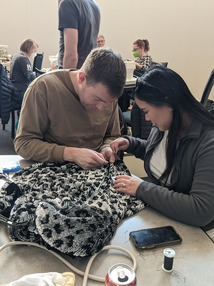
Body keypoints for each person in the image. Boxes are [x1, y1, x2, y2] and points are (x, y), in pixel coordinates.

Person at [110, 65, 214, 228]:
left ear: (168, 102)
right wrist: (131, 144)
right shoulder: (166, 124)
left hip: (193, 231)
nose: (146, 118)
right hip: (160, 212)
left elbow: (200, 210)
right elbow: (161, 155)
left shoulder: (208, 143)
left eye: (146, 110)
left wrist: (142, 188)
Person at [14, 48, 126, 170]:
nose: (101, 108)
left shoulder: (107, 95)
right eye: (97, 99)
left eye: (108, 102)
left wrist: (107, 147)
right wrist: (71, 154)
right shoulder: (43, 88)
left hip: (97, 170)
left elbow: (112, 135)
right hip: (54, 170)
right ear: (81, 78)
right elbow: (24, 144)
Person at [58, 0, 100, 69]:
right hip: (89, 70)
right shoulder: (94, 5)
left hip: (75, 72)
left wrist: (67, 78)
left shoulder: (68, 3)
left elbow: (71, 56)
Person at [131, 39, 152, 139]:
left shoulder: (146, 58)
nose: (134, 52)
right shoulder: (138, 59)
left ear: (142, 48)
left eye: (135, 49)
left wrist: (135, 65)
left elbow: (146, 70)